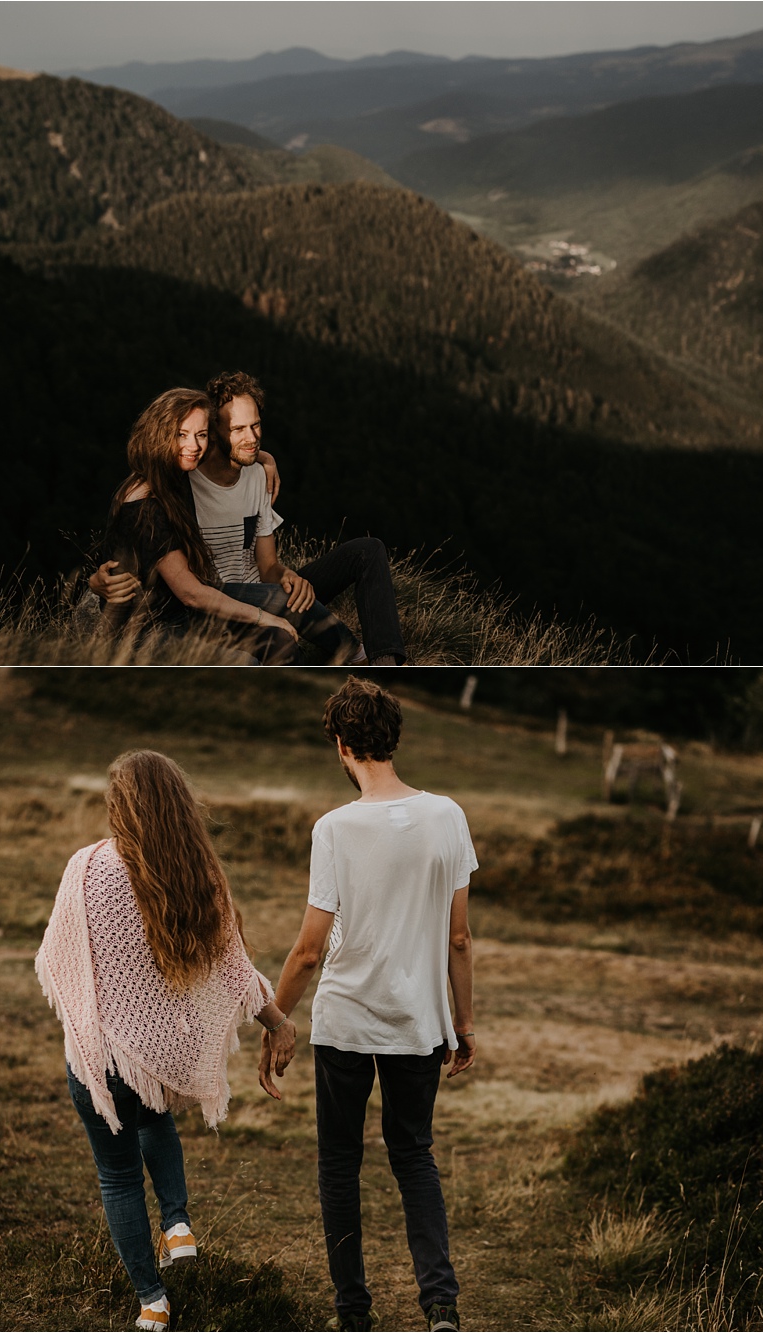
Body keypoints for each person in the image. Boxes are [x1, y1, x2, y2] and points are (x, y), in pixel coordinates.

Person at [36, 750, 296, 1333]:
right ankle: (176, 1223)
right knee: (156, 1120)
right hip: (158, 1056)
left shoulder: (86, 868)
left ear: (119, 808)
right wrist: (277, 1021)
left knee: (118, 1176)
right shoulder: (201, 876)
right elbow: (233, 968)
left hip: (100, 1061)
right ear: (179, 806)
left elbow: (60, 957)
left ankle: (153, 1300)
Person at [257, 677, 477, 1333]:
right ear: (393, 738)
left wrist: (275, 1019)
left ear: (343, 743)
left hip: (346, 1020)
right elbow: (459, 936)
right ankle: (440, 1304)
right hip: (419, 1022)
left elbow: (307, 950)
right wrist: (462, 1022)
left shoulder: (335, 828)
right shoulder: (448, 815)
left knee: (339, 1165)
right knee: (414, 1155)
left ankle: (353, 1312)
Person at [93, 372, 407, 665]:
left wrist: (289, 576)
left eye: (255, 426)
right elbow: (134, 536)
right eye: (237, 429)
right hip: (211, 601)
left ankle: (382, 660)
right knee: (281, 626)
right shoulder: (181, 476)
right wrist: (97, 582)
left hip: (257, 590)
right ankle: (343, 656)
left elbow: (268, 565)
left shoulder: (255, 472)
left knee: (367, 550)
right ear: (218, 433)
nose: (252, 438)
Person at [96, 386, 301, 663]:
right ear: (160, 433)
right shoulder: (145, 504)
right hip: (150, 632)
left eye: (201, 435)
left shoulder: (177, 470)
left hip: (187, 618)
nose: (193, 446)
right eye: (181, 434)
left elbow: (230, 450)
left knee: (281, 642)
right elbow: (191, 594)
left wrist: (265, 458)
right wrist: (265, 618)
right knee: (247, 661)